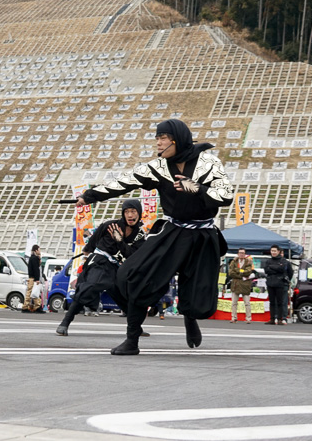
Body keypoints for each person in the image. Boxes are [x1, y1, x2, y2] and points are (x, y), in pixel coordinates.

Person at [76, 118, 234, 354]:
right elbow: (123, 182)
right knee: (135, 275)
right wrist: (89, 196)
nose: (158, 143)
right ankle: (132, 340)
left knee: (198, 294)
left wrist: (197, 188)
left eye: (163, 138)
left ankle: (190, 317)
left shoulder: (208, 162)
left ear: (176, 140)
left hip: (203, 235)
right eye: (157, 138)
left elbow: (227, 195)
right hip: (173, 231)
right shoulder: (158, 166)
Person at [57, 199, 145, 336]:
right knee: (90, 287)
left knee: (125, 297)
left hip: (116, 267)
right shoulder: (111, 225)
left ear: (139, 213)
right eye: (127, 211)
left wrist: (120, 242)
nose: (130, 215)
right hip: (100, 262)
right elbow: (95, 238)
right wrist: (87, 251)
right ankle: (65, 322)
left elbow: (131, 255)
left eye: (133, 211)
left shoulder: (140, 235)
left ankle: (136, 328)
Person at [263, 245, 292, 325]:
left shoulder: (283, 261)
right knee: (272, 302)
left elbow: (282, 269)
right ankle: (272, 318)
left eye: (275, 251)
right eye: (272, 251)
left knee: (280, 302)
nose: (273, 252)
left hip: (280, 283)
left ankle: (280, 318)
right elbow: (266, 270)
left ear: (278, 251)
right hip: (270, 283)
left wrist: (272, 268)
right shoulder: (268, 261)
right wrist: (276, 268)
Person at [228, 248, 255, 323]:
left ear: (245, 254)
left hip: (245, 285)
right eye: (240, 253)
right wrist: (241, 275)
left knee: (247, 303)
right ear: (238, 253)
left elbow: (248, 272)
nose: (241, 254)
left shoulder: (248, 261)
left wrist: (238, 271)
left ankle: (248, 318)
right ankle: (233, 317)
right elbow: (231, 273)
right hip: (236, 284)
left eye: (243, 253)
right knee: (234, 302)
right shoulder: (234, 261)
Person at [24, 245, 44, 313]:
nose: (40, 251)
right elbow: (36, 269)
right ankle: (35, 307)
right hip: (34, 278)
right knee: (34, 293)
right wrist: (37, 279)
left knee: (31, 293)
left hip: (31, 278)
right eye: (39, 250)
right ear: (36, 250)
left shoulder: (31, 258)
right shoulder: (35, 258)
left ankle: (28, 306)